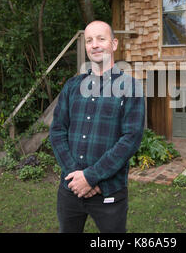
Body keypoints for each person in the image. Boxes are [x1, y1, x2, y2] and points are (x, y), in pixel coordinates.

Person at [50, 20, 145, 233]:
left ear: (114, 44)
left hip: (109, 192)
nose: (95, 45)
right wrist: (77, 176)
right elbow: (57, 131)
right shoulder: (72, 87)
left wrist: (91, 177)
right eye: (89, 40)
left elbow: (130, 139)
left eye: (101, 39)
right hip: (70, 189)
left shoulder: (131, 87)